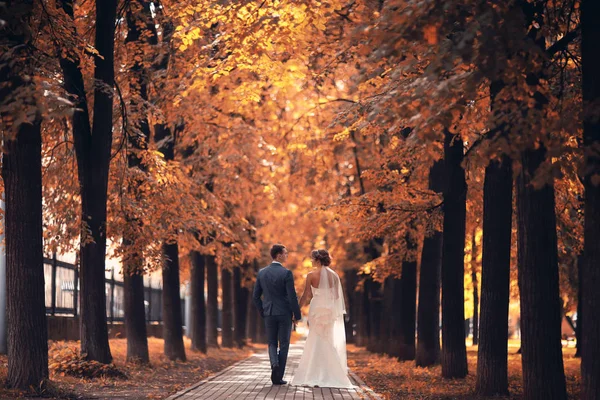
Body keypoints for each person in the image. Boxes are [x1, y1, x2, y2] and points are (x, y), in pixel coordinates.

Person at [291, 249, 354, 389]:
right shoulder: (334, 276)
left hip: (316, 309)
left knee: (315, 338)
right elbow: (337, 298)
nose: (311, 261)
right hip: (329, 310)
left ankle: (314, 373)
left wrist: (297, 311)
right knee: (328, 339)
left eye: (313, 259)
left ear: (318, 260)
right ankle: (330, 374)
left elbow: (306, 295)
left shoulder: (311, 275)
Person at [253, 244, 302, 385]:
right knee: (284, 344)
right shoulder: (286, 273)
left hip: (269, 313)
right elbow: (292, 297)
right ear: (279, 255)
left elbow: (256, 297)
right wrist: (297, 315)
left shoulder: (262, 273)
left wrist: (263, 312)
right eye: (285, 253)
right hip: (284, 313)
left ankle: (274, 363)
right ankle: (278, 376)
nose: (287, 255)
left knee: (272, 343)